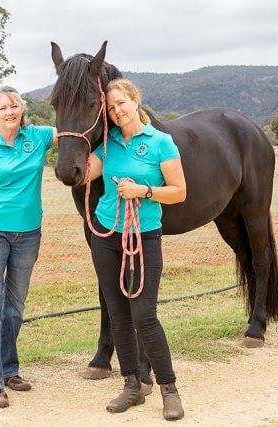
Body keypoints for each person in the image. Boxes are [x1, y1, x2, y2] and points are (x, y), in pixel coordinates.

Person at [85, 78, 187, 421]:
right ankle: (131, 385)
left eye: (121, 104)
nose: (117, 112)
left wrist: (143, 191)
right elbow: (84, 174)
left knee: (144, 314)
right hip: (106, 235)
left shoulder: (161, 142)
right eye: (111, 109)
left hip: (144, 237)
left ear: (134, 100)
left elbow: (178, 191)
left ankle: (169, 389)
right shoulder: (109, 143)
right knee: (118, 314)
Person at [0, 86, 57, 408]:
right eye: (3, 107)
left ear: (22, 110)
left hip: (29, 235)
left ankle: (9, 370)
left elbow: (77, 132)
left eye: (14, 105)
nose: (10, 111)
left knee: (15, 308)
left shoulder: (38, 137)